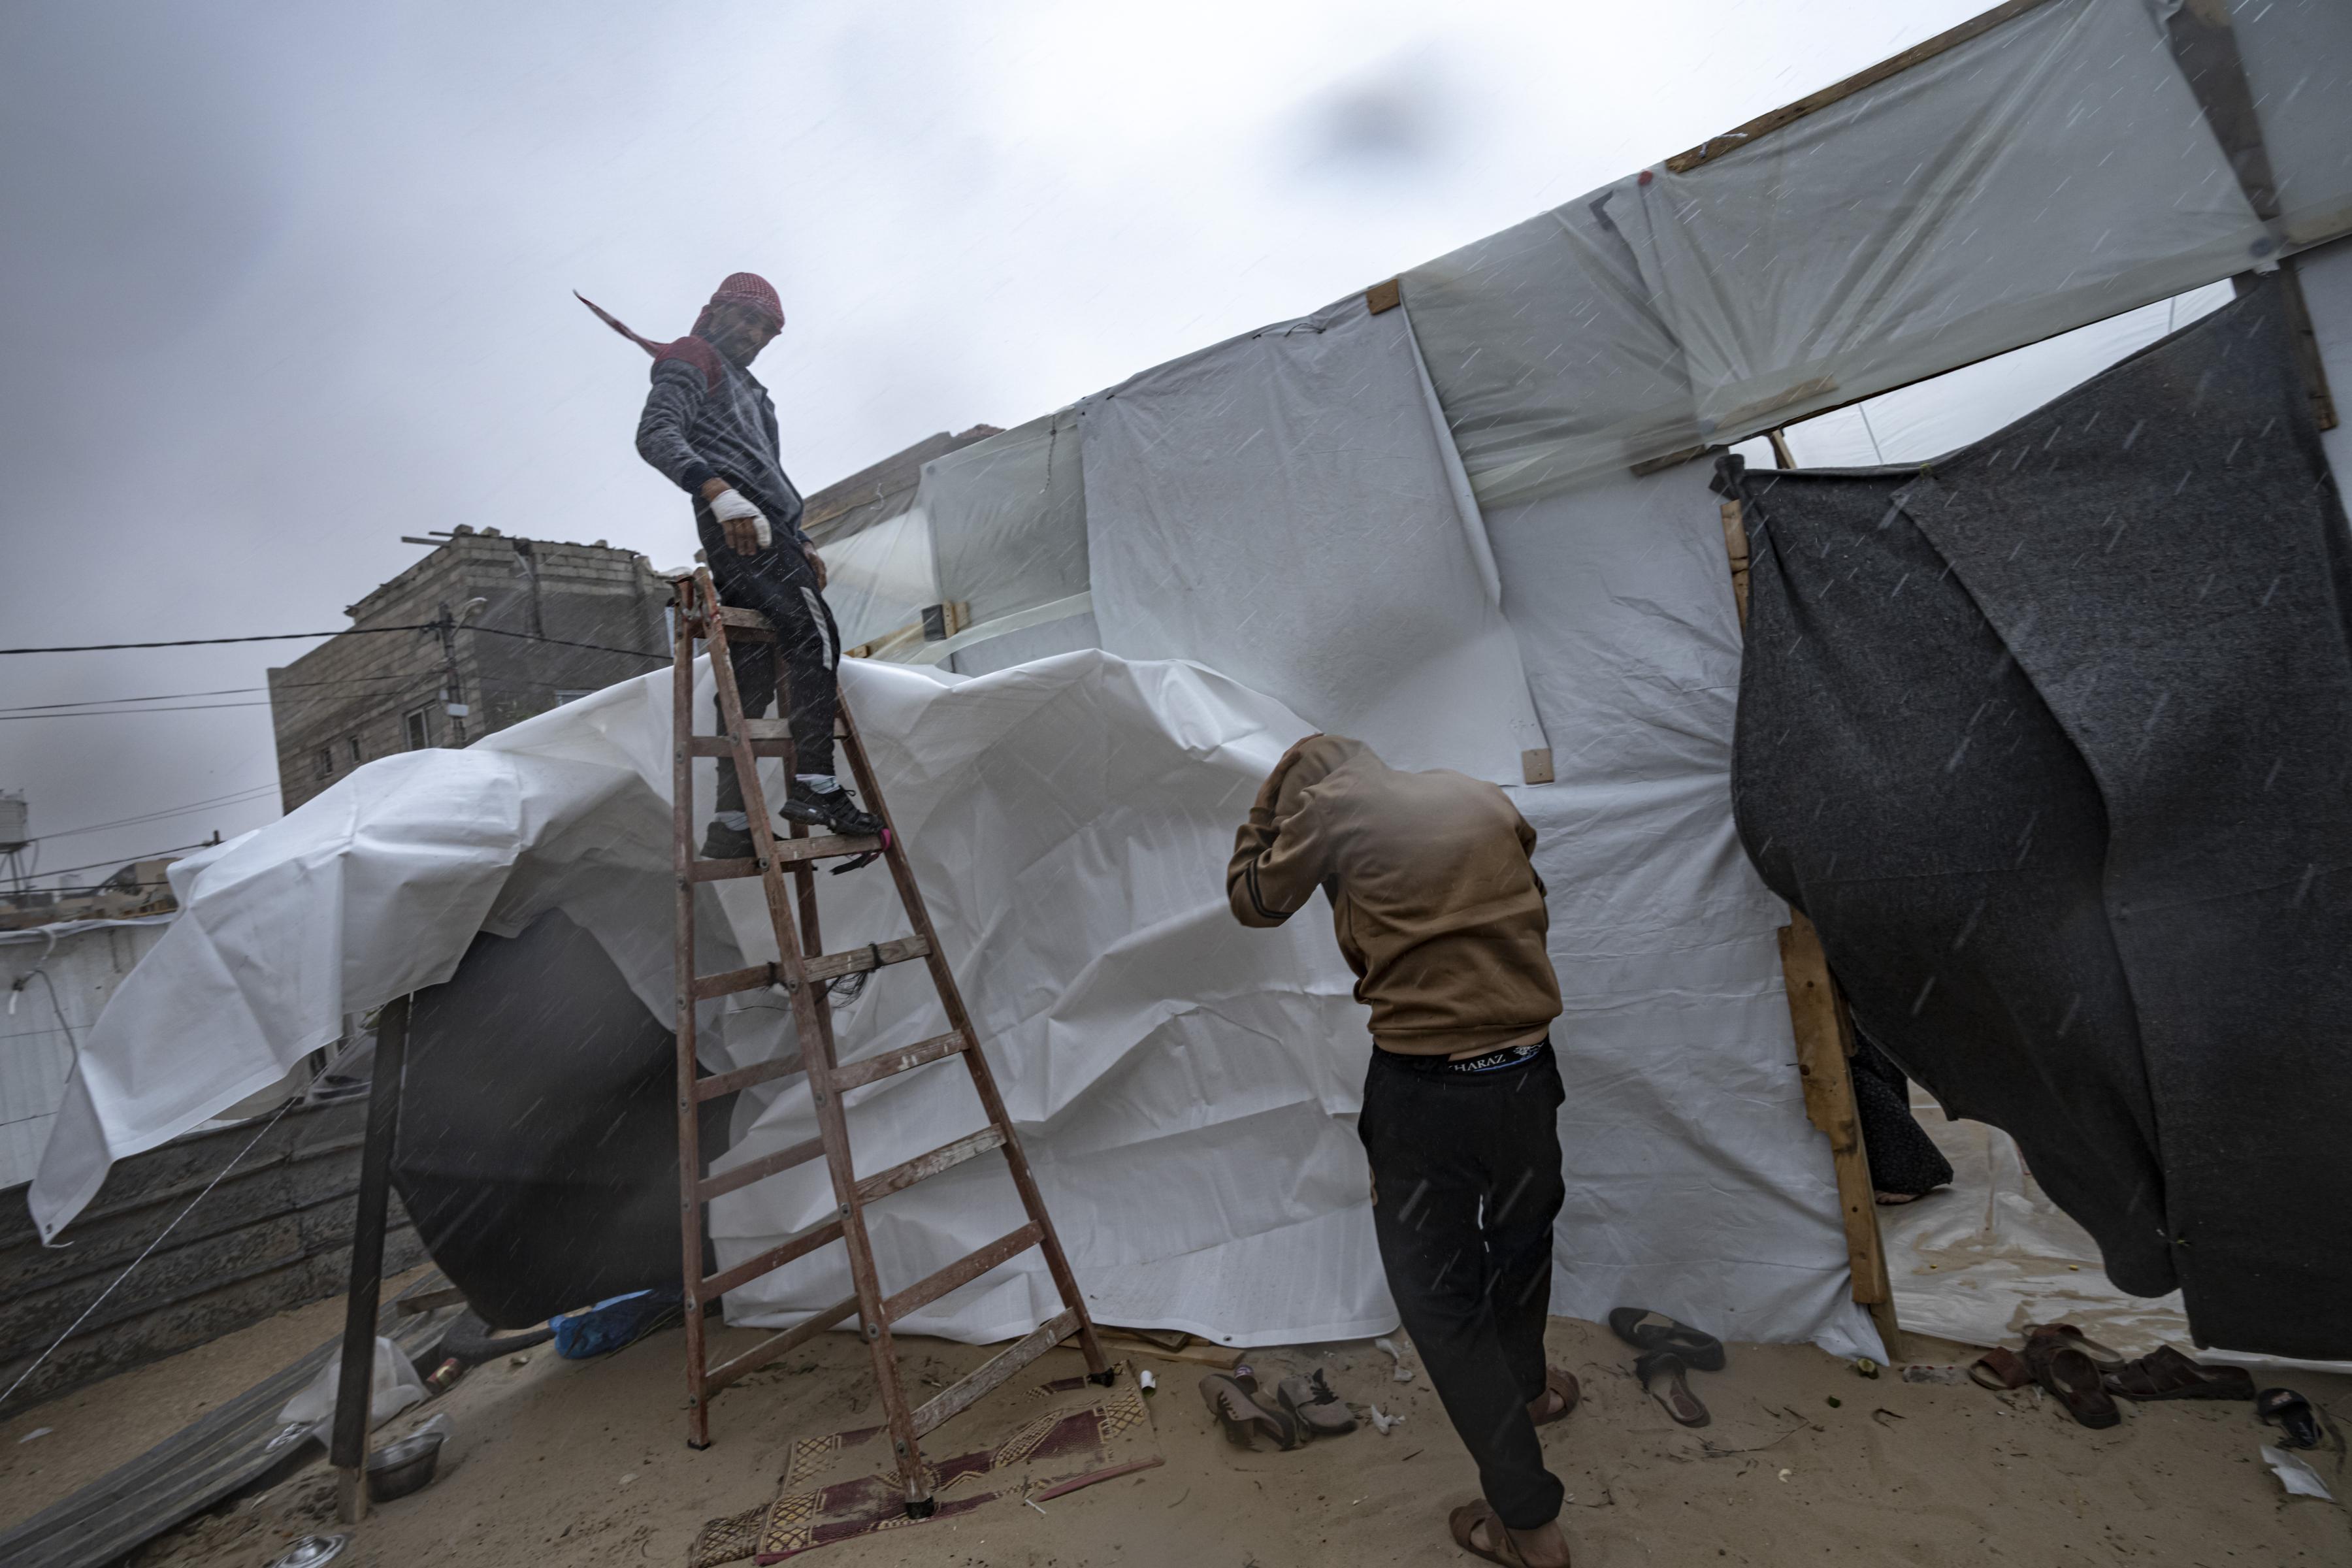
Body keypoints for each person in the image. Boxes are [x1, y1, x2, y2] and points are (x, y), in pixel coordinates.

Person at [1226, 734, 1576, 1568]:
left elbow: (1252, 900)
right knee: (1522, 1238)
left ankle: (1530, 1527)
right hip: (1529, 1072)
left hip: (1431, 1093)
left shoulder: (1331, 810)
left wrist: (1270, 815)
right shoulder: (1469, 787)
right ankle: (1526, 1392)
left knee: (1441, 1308)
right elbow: (1531, 882)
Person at [580, 272, 881, 854]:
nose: (756, 334)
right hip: (745, 532)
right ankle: (816, 784)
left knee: (752, 675)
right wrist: (718, 493)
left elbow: (769, 469)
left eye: (768, 329)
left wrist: (804, 538)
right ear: (713, 311)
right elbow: (656, 434)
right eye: (747, 318)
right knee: (815, 636)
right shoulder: (694, 357)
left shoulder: (756, 394)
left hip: (771, 531)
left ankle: (732, 824)